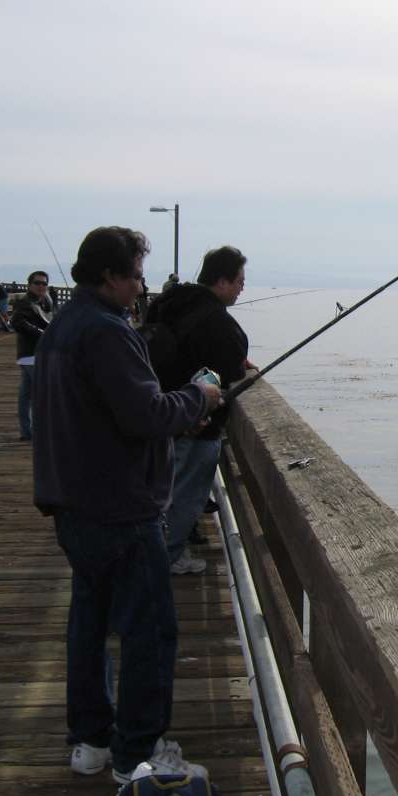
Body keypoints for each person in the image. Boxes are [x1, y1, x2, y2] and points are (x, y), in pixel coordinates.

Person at [31, 225, 222, 784]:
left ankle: (91, 740)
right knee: (149, 632)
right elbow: (145, 415)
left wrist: (178, 405)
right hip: (118, 507)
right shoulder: (107, 332)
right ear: (111, 276)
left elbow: (114, 410)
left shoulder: (63, 327)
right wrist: (200, 397)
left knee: (89, 625)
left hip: (72, 503)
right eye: (137, 275)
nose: (142, 286)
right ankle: (136, 752)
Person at [144, 246, 254, 574]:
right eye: (238, 282)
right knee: (186, 496)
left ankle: (153, 555)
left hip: (160, 414)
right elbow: (229, 371)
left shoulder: (167, 303)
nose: (241, 288)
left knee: (161, 494)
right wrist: (242, 366)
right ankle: (169, 558)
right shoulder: (217, 322)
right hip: (197, 425)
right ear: (221, 281)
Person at [11, 270, 57, 441]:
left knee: (26, 393)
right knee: (41, 394)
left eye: (44, 283)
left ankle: (26, 432)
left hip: (38, 353)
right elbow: (16, 322)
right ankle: (39, 431)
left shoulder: (46, 301)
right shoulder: (24, 302)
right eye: (37, 283)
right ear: (29, 285)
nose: (41, 286)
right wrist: (40, 333)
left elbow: (52, 319)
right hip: (30, 354)